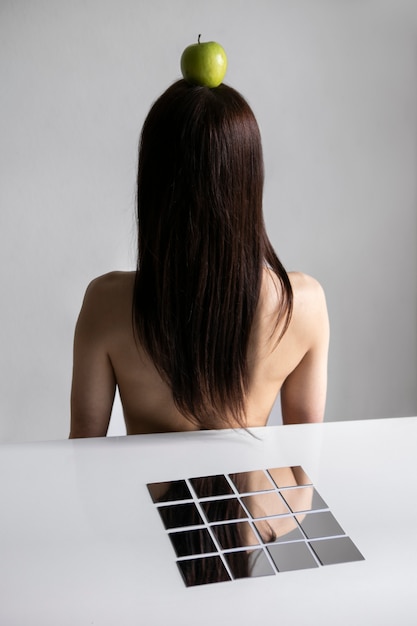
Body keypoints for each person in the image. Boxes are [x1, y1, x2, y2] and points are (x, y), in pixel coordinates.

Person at [69, 80, 329, 438]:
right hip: (255, 496)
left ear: (154, 183)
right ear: (248, 179)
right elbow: (305, 462)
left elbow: (82, 453)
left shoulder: (106, 302)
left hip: (146, 495)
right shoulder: (304, 304)